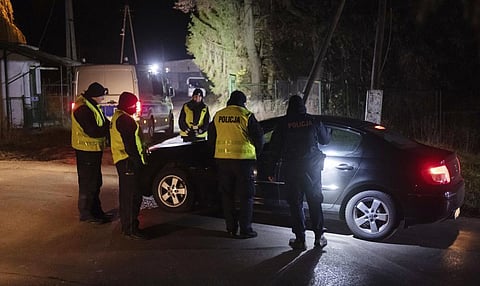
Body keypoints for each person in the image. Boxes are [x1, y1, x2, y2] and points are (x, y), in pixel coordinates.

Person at [268, 94, 331, 250]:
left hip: (292, 169)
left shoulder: (284, 123)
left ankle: (300, 239)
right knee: (315, 200)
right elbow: (325, 140)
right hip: (312, 168)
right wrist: (329, 132)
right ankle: (319, 237)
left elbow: (274, 148)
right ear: (304, 106)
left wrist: (270, 169)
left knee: (295, 203)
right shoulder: (312, 120)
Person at [208, 90, 264, 239]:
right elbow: (259, 138)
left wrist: (216, 154)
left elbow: (211, 138)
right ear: (243, 102)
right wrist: (256, 154)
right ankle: (245, 229)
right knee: (246, 196)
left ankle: (231, 228)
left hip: (223, 161)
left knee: (227, 196)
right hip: (243, 161)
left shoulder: (218, 115)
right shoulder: (246, 115)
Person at [110, 92, 148, 240]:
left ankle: (127, 227)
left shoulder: (118, 117)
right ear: (128, 105)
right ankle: (131, 229)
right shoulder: (125, 120)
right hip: (128, 162)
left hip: (122, 161)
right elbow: (131, 146)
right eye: (134, 105)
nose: (135, 108)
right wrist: (138, 162)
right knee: (133, 197)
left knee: (126, 196)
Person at [71, 82, 111, 224]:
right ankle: (87, 213)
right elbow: (92, 130)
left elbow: (103, 123)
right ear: (95, 96)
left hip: (93, 150)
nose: (103, 99)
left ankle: (96, 212)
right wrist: (107, 132)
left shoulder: (92, 106)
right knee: (89, 183)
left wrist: (110, 128)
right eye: (102, 96)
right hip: (86, 151)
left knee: (95, 182)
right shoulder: (83, 108)